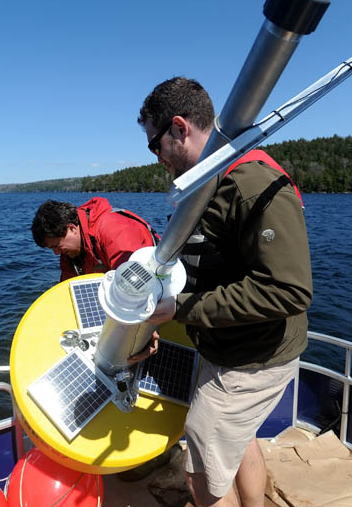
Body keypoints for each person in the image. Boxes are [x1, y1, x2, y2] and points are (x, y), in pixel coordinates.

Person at [131, 77, 313, 507]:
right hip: (223, 348)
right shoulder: (207, 182)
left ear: (179, 128)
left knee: (202, 475)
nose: (156, 158)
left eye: (154, 145)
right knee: (237, 441)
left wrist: (181, 307)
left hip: (251, 361)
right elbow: (203, 265)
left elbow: (289, 290)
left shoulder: (250, 185)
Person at [31, 197, 159, 282]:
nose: (57, 253)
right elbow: (68, 286)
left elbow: (135, 283)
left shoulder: (113, 230)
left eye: (56, 246)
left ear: (72, 229)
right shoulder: (70, 251)